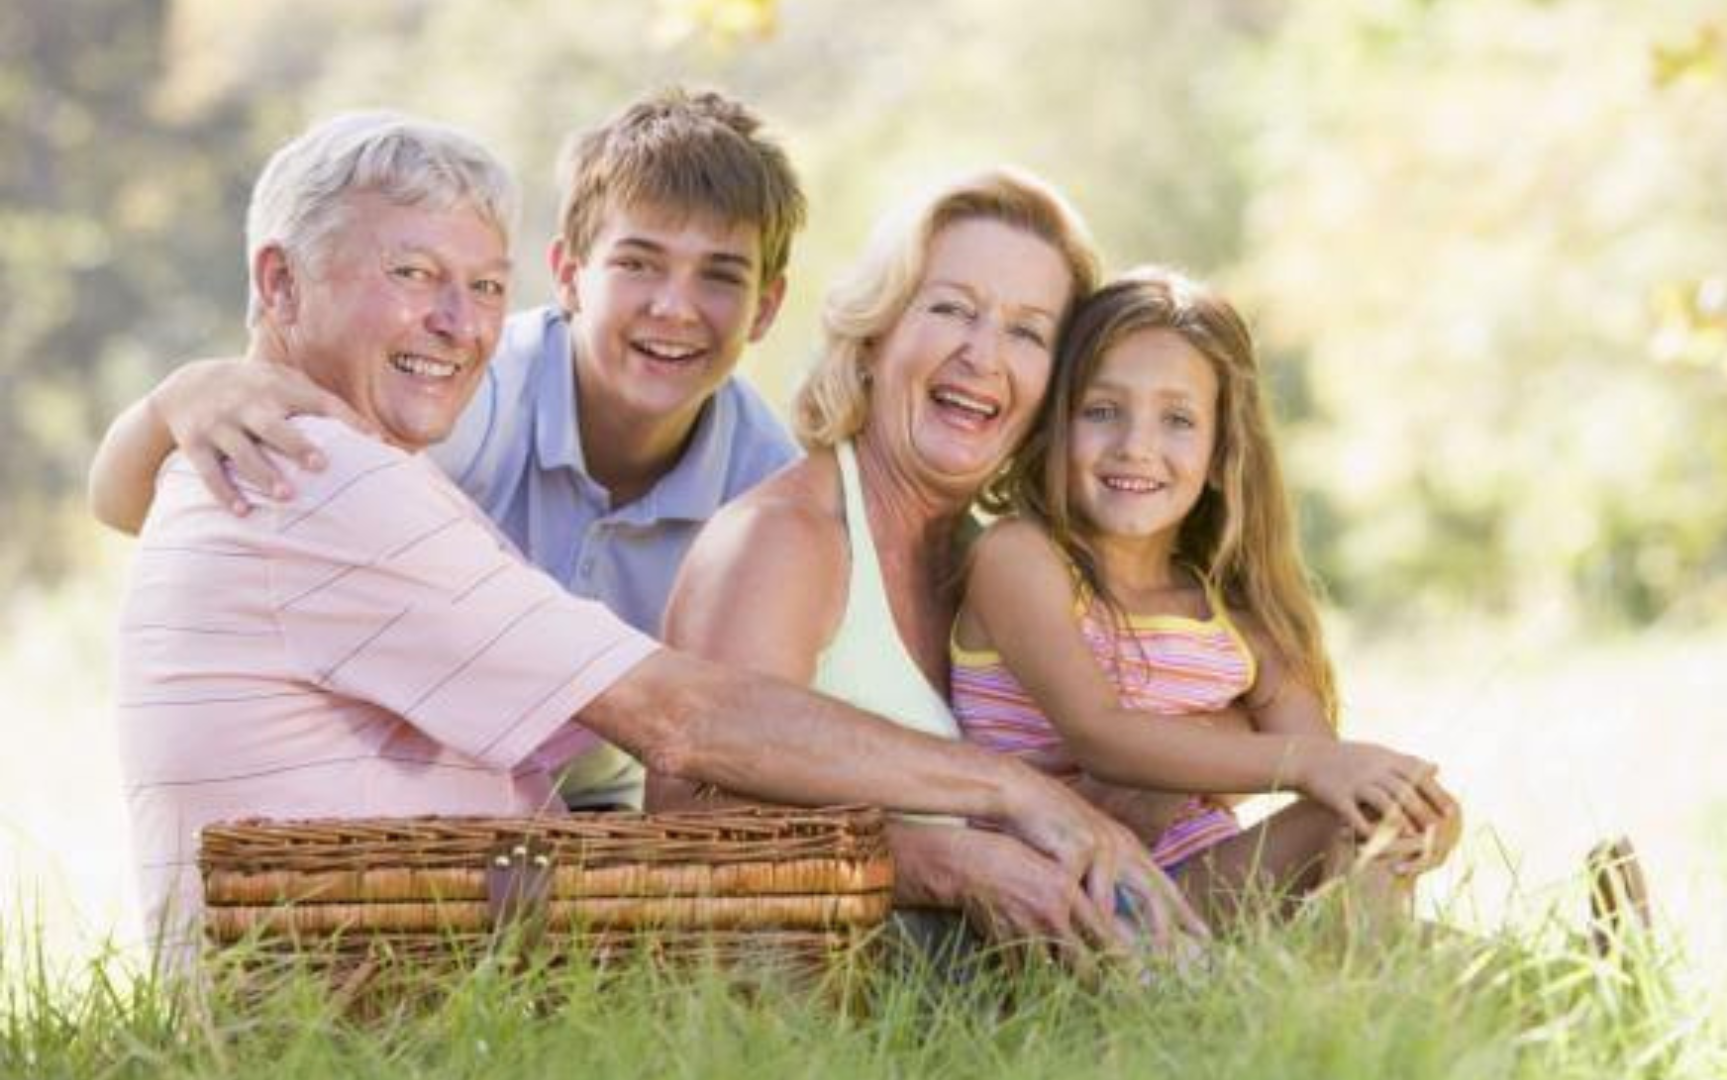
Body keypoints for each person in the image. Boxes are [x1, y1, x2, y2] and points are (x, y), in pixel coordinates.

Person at [105, 110, 1192, 958]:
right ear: (279, 283)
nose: (456, 322)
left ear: (767, 307)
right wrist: (1006, 807)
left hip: (455, 902)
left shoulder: (750, 462)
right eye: (412, 276)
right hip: (360, 966)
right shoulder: (331, 463)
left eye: (481, 286)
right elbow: (684, 723)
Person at [93, 88, 807, 811]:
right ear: (568, 276)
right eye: (639, 264)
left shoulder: (765, 488)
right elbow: (135, 503)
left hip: (592, 800)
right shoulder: (460, 393)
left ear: (767, 307)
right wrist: (176, 399)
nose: (674, 307)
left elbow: (728, 732)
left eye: (719, 276)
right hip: (428, 793)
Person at [652, 170, 1186, 953]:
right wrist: (945, 861)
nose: (984, 355)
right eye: (951, 309)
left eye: (1028, 332)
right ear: (876, 335)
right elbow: (688, 825)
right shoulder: (784, 538)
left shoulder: (1000, 565)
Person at [951, 268, 1463, 927]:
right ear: (1055, 425)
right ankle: (1383, 977)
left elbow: (1335, 778)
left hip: (1201, 898)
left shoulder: (1238, 619)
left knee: (1364, 814)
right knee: (1347, 808)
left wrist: (1417, 815)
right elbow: (1099, 733)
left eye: (1178, 420)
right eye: (1102, 411)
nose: (1136, 446)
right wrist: (1306, 764)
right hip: (1067, 902)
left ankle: (1405, 979)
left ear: (1224, 449)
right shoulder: (1020, 557)